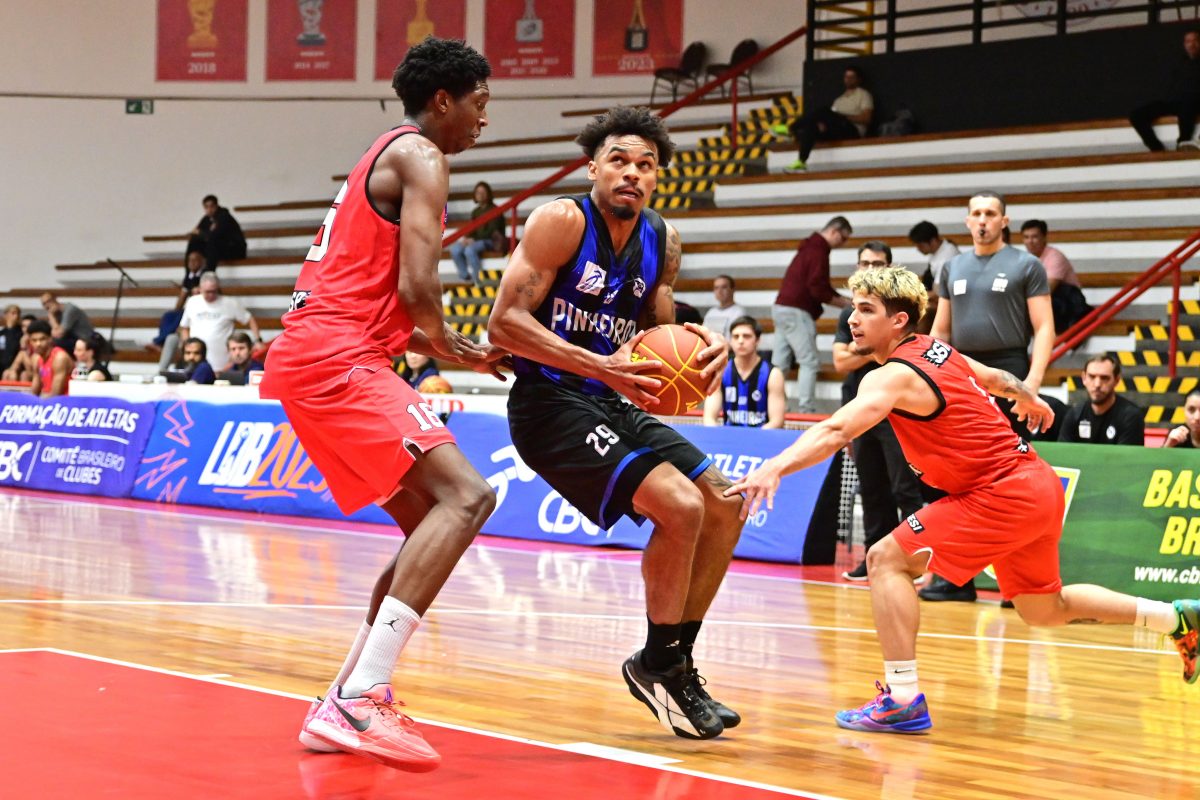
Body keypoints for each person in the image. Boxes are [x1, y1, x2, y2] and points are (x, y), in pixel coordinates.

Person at [727, 266, 1200, 734]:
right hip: (1036, 485)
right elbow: (995, 378)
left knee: (885, 559)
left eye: (866, 310)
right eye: (853, 308)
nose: (852, 319)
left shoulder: (891, 376)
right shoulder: (937, 350)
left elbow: (835, 430)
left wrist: (773, 467)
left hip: (999, 494)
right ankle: (1174, 616)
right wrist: (1028, 397)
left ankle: (902, 699)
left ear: (898, 320)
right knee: (1044, 609)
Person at [259, 37, 505, 771]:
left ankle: (338, 702)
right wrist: (453, 340)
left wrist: (457, 350)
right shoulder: (424, 155)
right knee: (468, 496)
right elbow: (418, 289)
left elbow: (389, 305)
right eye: (480, 104)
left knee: (430, 521)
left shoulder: (384, 154)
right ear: (443, 101)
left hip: (317, 354)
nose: (483, 120)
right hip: (338, 360)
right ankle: (362, 697)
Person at [487, 105, 745, 741]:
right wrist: (598, 365)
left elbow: (659, 335)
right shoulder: (561, 222)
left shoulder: (664, 241)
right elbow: (504, 324)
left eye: (646, 165)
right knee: (680, 506)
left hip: (610, 397)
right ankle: (661, 666)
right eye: (619, 160)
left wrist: (702, 346)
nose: (632, 173)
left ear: (657, 177)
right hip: (548, 403)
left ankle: (670, 664)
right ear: (593, 168)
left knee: (725, 504)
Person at [926, 192, 1055, 602]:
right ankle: (955, 579)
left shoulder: (1026, 265)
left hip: (1009, 371)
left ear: (1004, 221)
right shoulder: (952, 267)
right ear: (967, 221)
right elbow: (940, 331)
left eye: (990, 213)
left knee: (1010, 479)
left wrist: (1031, 385)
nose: (983, 220)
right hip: (961, 374)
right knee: (959, 475)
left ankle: (1016, 585)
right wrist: (930, 375)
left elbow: (1045, 327)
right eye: (976, 214)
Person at [832, 242, 926, 582]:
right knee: (871, 487)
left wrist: (865, 348)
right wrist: (873, 347)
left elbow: (902, 351)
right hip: (860, 408)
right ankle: (873, 557)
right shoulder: (849, 315)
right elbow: (839, 362)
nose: (870, 269)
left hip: (897, 411)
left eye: (878, 264)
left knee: (904, 487)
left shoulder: (898, 307)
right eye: (864, 263)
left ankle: (915, 559)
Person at [772, 216, 853, 414]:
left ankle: (774, 408)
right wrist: (845, 303)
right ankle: (805, 410)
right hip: (797, 310)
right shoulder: (819, 250)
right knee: (809, 362)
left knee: (779, 364)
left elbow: (818, 286)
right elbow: (817, 288)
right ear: (833, 232)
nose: (842, 244)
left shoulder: (809, 246)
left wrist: (840, 299)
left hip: (781, 307)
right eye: (843, 238)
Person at [771, 66, 873, 172]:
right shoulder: (839, 100)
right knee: (812, 126)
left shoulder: (863, 94)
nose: (849, 79)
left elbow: (867, 118)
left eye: (852, 77)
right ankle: (801, 161)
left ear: (858, 79)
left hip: (852, 130)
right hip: (836, 130)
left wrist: (843, 117)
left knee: (824, 110)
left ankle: (791, 129)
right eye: (846, 76)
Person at [703, 315, 785, 428]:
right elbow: (709, 418)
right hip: (729, 437)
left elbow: (777, 421)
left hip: (761, 437)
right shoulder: (721, 371)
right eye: (736, 336)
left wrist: (753, 438)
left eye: (746, 336)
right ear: (730, 341)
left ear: (757, 340)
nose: (740, 341)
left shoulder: (773, 374)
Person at [1129, 29, 1200, 152]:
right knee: (1136, 115)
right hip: (1175, 102)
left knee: (1188, 101)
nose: (1191, 44)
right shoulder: (1181, 63)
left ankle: (1183, 142)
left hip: (1194, 102)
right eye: (1188, 41)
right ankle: (1157, 149)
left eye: (1195, 41)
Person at [1021, 219, 1090, 334]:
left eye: (1034, 237)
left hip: (1067, 303)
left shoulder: (1055, 257)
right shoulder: (1025, 260)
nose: (1030, 241)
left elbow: (1046, 290)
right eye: (1026, 237)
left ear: (1044, 238)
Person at [179, 273, 261, 370]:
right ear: (200, 289)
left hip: (223, 360)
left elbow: (250, 319)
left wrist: (258, 341)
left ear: (218, 288)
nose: (211, 295)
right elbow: (184, 327)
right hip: (198, 358)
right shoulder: (192, 302)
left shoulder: (230, 303)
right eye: (207, 292)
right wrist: (188, 346)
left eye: (213, 291)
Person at [1057, 354, 1144, 445]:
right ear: (1084, 378)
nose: (1097, 384)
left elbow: (1124, 454)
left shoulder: (1131, 416)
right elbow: (1063, 451)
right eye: (1092, 377)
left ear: (1117, 380)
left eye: (1104, 378)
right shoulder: (1074, 414)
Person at [448, 181, 504, 286]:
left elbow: (492, 232)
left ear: (488, 194)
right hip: (477, 240)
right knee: (455, 249)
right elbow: (472, 229)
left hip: (492, 241)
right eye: (478, 192)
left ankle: (477, 280)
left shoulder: (495, 209)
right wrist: (467, 238)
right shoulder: (475, 211)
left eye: (483, 192)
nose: (480, 195)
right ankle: (465, 276)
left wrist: (474, 240)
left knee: (470, 250)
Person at [907, 221, 959, 333]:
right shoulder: (939, 251)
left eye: (920, 245)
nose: (918, 249)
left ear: (933, 241)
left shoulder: (947, 256)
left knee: (921, 309)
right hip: (938, 297)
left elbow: (937, 292)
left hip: (949, 302)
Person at [187, 194, 247, 270]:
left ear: (216, 206)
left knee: (213, 242)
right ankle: (189, 273)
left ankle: (209, 272)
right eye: (206, 207)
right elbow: (195, 232)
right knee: (193, 242)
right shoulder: (206, 219)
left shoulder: (224, 216)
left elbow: (214, 236)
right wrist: (201, 233)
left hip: (235, 249)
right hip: (220, 248)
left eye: (211, 206)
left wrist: (202, 233)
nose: (209, 210)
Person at [26, 319, 73, 398]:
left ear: (50, 339)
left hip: (66, 403)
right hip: (47, 400)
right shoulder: (36, 359)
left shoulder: (59, 358)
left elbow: (56, 395)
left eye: (42, 339)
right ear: (30, 341)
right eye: (34, 340)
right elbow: (34, 392)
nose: (38, 344)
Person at [701, 275, 747, 341]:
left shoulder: (739, 312)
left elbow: (737, 341)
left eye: (724, 287)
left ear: (732, 289)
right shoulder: (711, 312)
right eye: (716, 288)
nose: (719, 291)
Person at [2, 314, 38, 383]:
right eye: (23, 326)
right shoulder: (20, 338)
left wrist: (23, 347)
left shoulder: (38, 341)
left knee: (24, 373)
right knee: (7, 373)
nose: (25, 329)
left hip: (38, 372)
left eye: (28, 326)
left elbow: (35, 366)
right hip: (24, 369)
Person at [0, 304, 22, 374]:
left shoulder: (21, 332)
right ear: (6, 315)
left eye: (18, 313)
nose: (16, 316)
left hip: (15, 366)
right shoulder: (2, 333)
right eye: (13, 313)